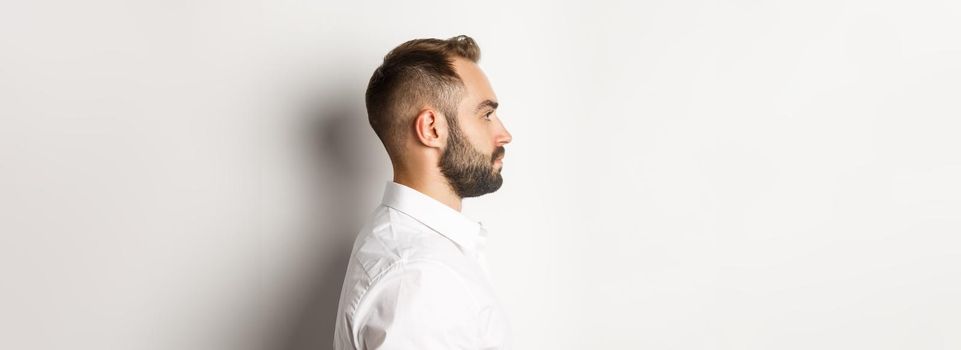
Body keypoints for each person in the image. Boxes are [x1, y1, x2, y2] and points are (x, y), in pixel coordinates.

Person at [332, 35, 514, 350]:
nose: (504, 134)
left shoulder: (410, 249)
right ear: (431, 129)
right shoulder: (420, 277)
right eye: (486, 114)